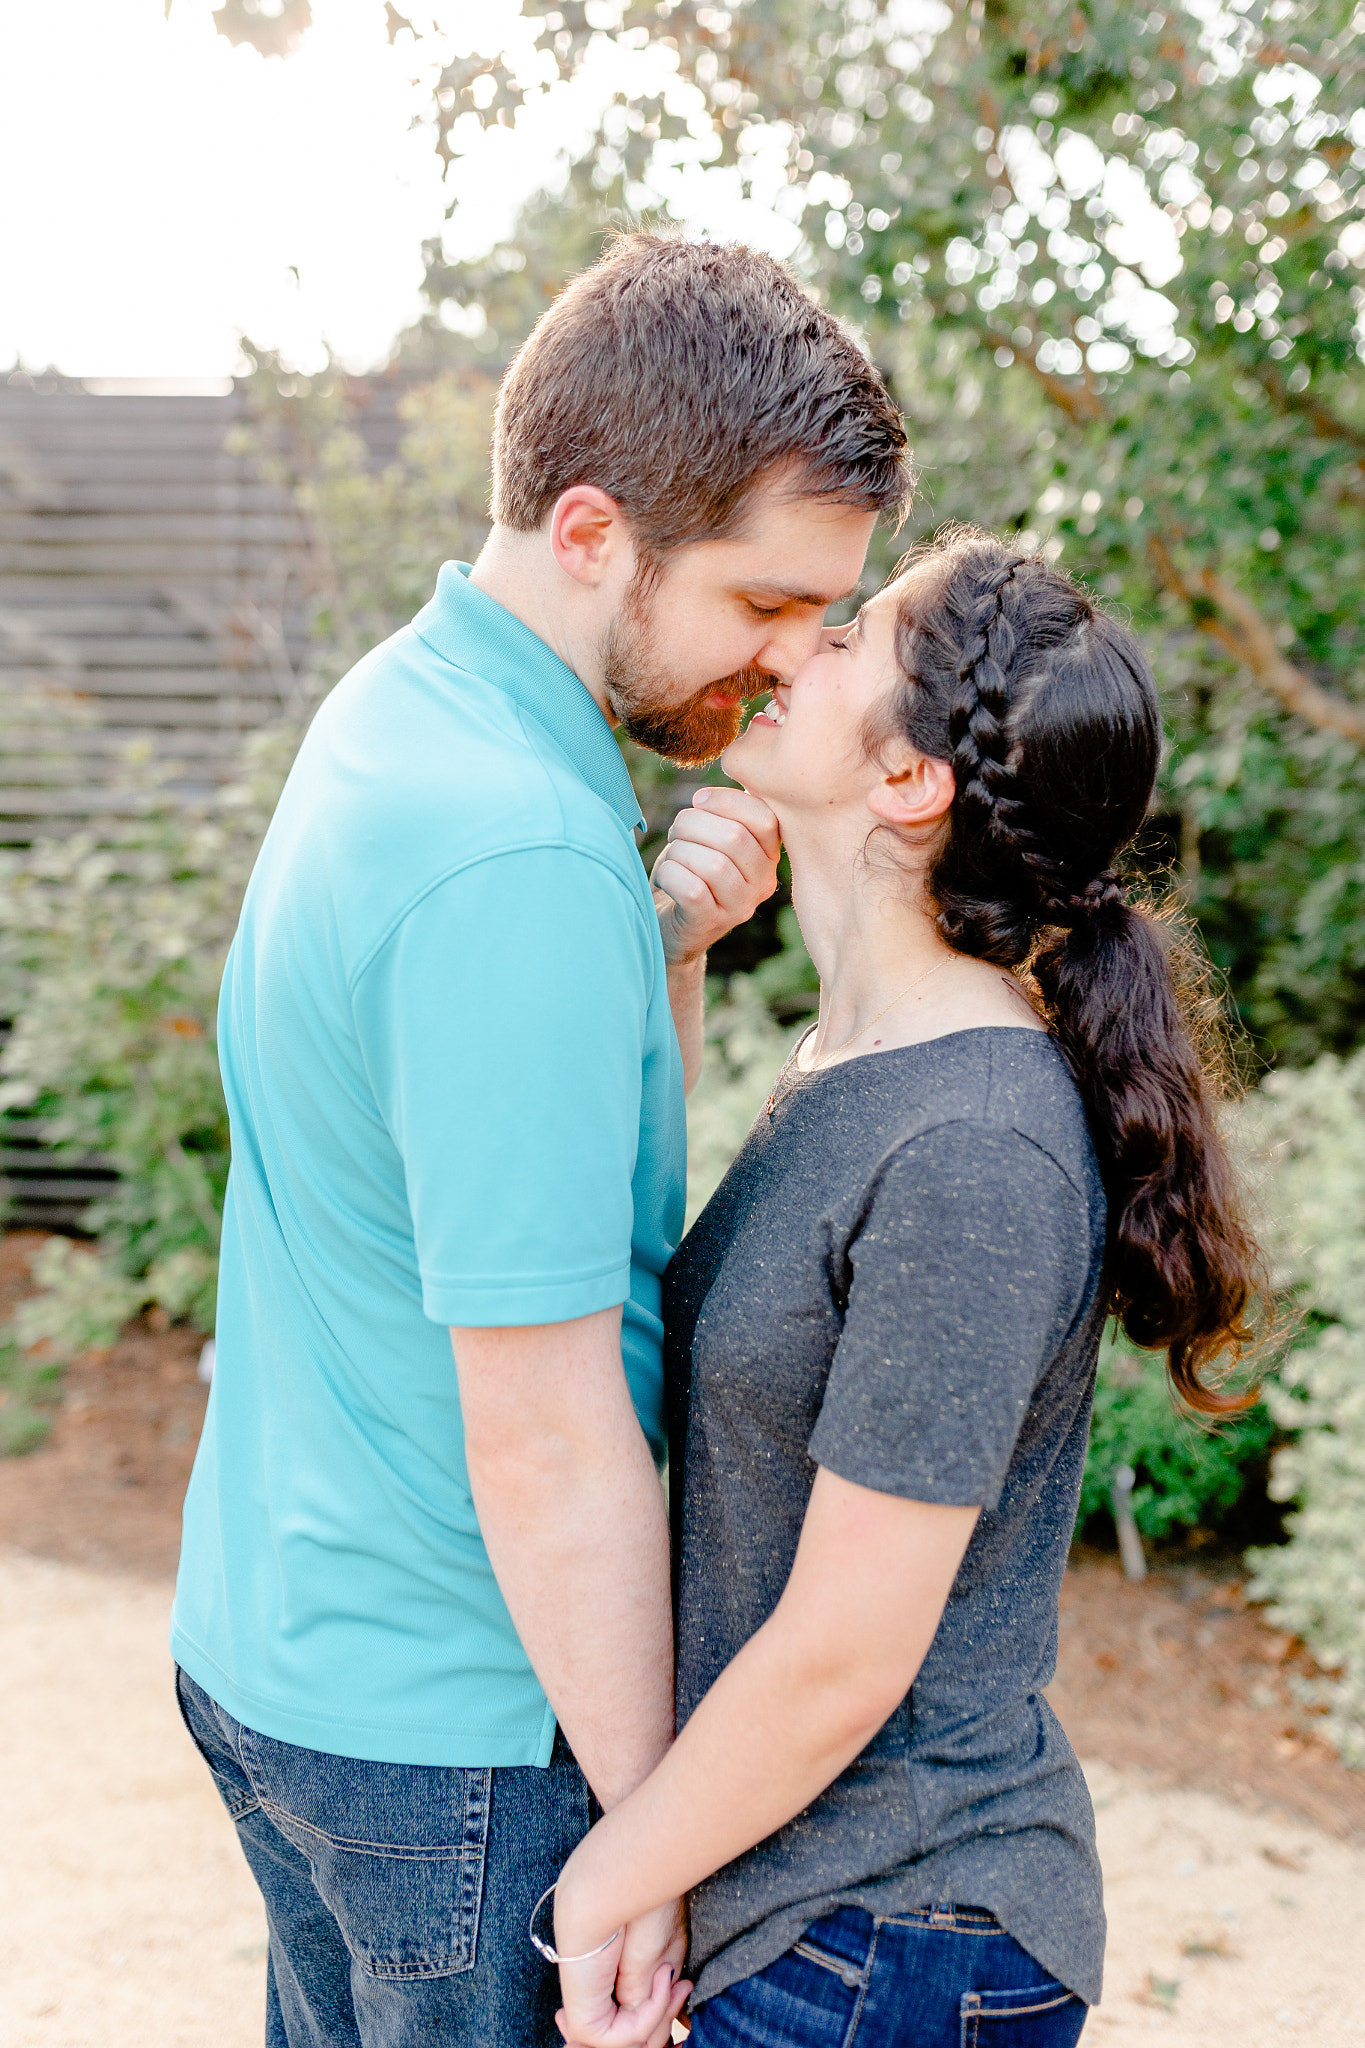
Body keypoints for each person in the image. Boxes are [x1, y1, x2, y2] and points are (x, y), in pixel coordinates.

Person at [169, 231, 910, 2048]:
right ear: (593, 534)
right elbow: (548, 1430)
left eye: (822, 616)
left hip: (288, 1646)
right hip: (461, 1731)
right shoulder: (516, 852)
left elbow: (498, 1185)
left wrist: (652, 957)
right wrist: (657, 1832)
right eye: (760, 605)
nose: (788, 663)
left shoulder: (406, 712)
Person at [545, 527, 1269, 2048]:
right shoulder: (856, 1067)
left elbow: (845, 1649)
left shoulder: (971, 1150)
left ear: (908, 782)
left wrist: (608, 1877)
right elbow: (635, 1283)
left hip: (892, 1940)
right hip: (808, 1912)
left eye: (850, 630)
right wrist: (676, 959)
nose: (793, 639)